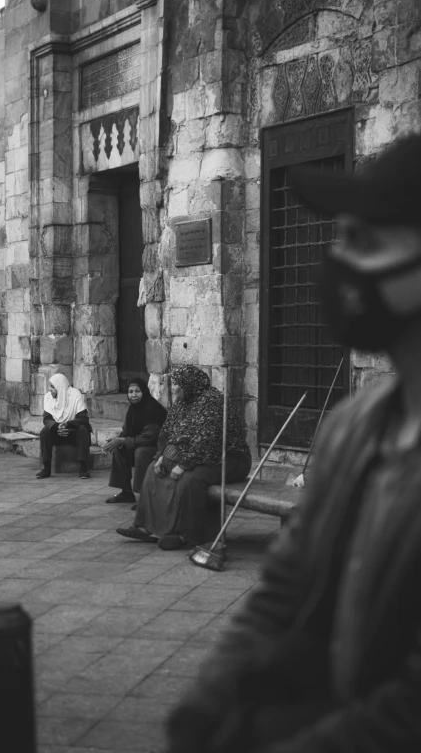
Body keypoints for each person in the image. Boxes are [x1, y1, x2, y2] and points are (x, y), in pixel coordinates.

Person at [164, 133, 421, 753]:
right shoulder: (355, 427)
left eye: (365, 241)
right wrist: (210, 700)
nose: (341, 262)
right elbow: (289, 584)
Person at [117, 365, 252, 550]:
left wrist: (184, 464)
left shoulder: (212, 402)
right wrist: (162, 456)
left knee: (190, 480)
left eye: (177, 385)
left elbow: (208, 440)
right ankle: (145, 527)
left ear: (189, 385)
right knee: (153, 470)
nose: (173, 389)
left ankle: (187, 535)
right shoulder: (182, 404)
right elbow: (169, 433)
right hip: (197, 455)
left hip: (228, 458)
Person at [104, 378, 167, 506]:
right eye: (130, 391)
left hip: (158, 448)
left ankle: (145, 496)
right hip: (139, 443)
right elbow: (127, 431)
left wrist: (122, 440)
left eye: (137, 391)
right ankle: (126, 492)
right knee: (120, 449)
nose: (133, 395)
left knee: (141, 452)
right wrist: (117, 440)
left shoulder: (153, 409)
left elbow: (149, 438)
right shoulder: (133, 409)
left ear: (144, 391)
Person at [36, 373, 92, 480]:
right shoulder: (48, 397)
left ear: (60, 386)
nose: (50, 389)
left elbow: (83, 418)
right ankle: (46, 468)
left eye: (53, 387)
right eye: (50, 386)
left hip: (73, 431)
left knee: (83, 430)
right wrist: (58, 427)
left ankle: (83, 468)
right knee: (44, 432)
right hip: (57, 431)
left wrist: (68, 425)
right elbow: (46, 419)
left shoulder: (75, 395)